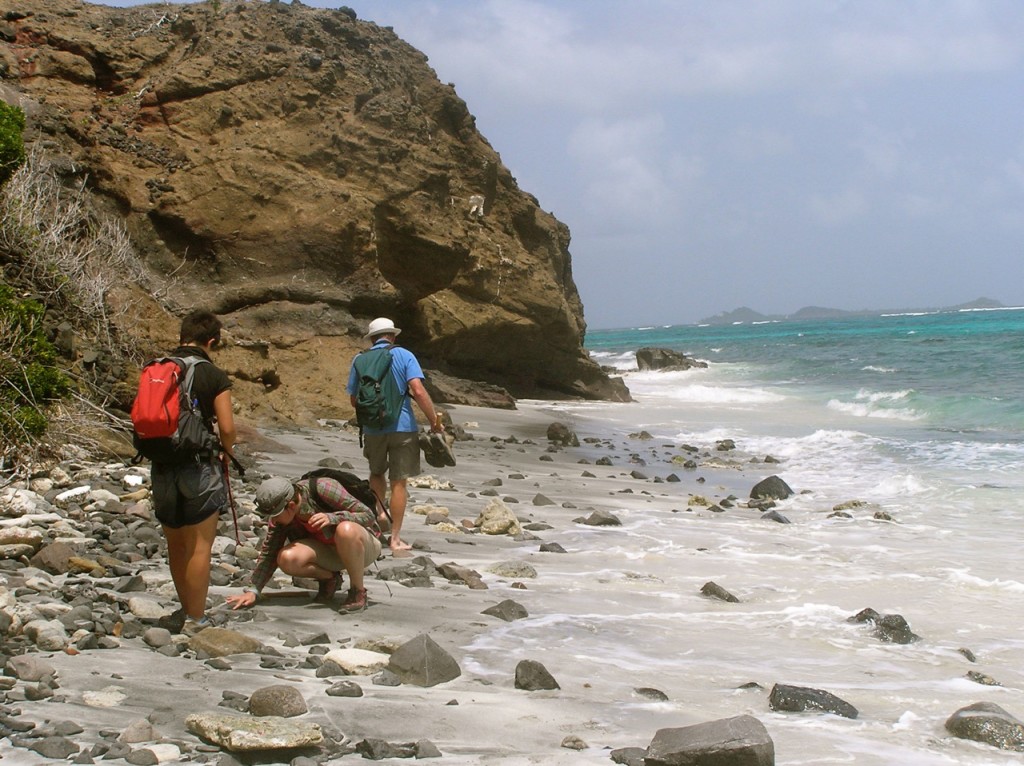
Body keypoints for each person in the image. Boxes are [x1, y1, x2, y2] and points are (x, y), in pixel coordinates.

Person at [151, 310, 236, 636]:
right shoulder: (213, 375)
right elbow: (227, 428)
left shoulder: (157, 369)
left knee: (176, 545)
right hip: (199, 466)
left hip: (161, 465)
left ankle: (186, 606)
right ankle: (196, 620)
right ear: (211, 341)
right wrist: (227, 453)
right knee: (201, 546)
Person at [346, 317, 443, 552]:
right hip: (402, 427)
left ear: (371, 338)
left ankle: (379, 514)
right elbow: (418, 391)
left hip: (372, 429)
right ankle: (396, 539)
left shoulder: (359, 359)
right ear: (393, 336)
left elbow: (353, 399)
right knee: (399, 483)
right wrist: (434, 420)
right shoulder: (405, 355)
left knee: (376, 473)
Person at [225, 474, 383, 612]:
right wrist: (254, 590)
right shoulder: (280, 520)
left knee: (345, 529)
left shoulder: (323, 488)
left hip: (362, 548)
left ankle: (357, 591)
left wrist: (333, 518)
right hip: (329, 554)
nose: (272, 520)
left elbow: (368, 515)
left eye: (275, 515)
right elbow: (269, 553)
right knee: (287, 557)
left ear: (291, 506)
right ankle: (330, 578)